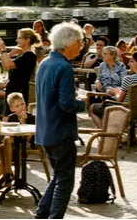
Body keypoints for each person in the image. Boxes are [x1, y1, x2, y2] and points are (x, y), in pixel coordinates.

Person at [35, 22, 86, 219]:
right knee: (65, 182)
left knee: (57, 178)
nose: (81, 46)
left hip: (46, 131)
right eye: (80, 42)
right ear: (70, 43)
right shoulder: (64, 67)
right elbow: (67, 104)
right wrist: (83, 103)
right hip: (61, 131)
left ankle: (41, 215)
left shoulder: (45, 63)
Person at [89, 52, 137, 128]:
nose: (129, 64)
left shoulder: (128, 79)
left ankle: (105, 134)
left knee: (93, 107)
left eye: (132, 61)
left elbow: (119, 99)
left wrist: (115, 91)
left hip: (125, 109)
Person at [0, 28, 40, 106]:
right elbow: (6, 67)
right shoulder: (23, 55)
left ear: (28, 40)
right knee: (7, 117)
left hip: (18, 91)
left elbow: (8, 64)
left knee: (11, 117)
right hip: (12, 90)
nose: (17, 40)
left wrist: (3, 49)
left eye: (19, 38)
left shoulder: (29, 55)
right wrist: (3, 53)